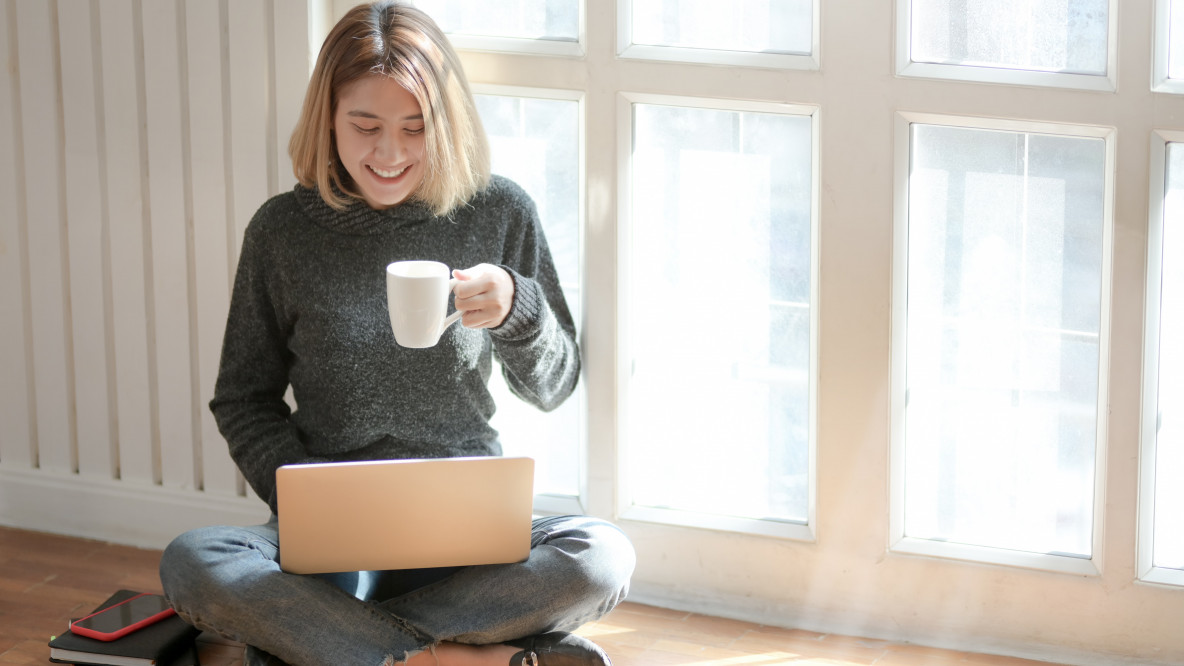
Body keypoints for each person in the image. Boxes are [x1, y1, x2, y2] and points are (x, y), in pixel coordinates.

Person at [157, 2, 635, 665]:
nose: (390, 153)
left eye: (416, 127)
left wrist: (519, 310)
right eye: (366, 125)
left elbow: (555, 386)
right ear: (329, 117)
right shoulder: (283, 231)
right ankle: (464, 656)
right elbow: (243, 399)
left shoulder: (499, 212)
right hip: (332, 542)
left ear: (448, 122)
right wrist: (308, 497)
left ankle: (337, 644)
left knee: (601, 555)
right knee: (194, 562)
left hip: (471, 532)